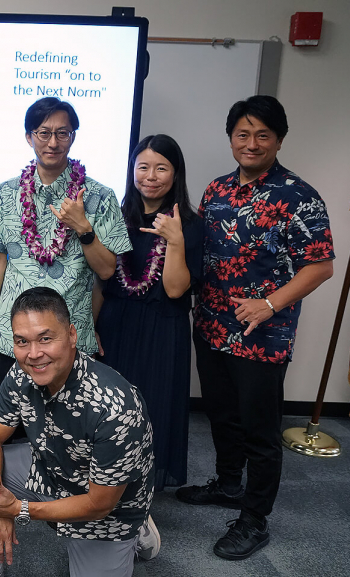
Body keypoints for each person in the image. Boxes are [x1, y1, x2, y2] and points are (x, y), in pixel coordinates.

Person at [179, 95, 334, 560]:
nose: (251, 143)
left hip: (262, 336)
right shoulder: (216, 190)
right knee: (221, 415)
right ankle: (228, 485)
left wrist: (270, 304)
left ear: (279, 139)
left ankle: (254, 519)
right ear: (231, 139)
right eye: (242, 134)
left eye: (262, 135)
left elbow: (320, 266)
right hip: (211, 326)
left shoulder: (298, 195)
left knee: (260, 431)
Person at [0, 287, 157, 577]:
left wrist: (16, 509)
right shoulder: (21, 373)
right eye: (22, 341)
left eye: (45, 339)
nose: (34, 354)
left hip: (107, 505)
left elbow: (98, 505)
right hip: (50, 467)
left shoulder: (116, 407)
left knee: (112, 508)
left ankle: (137, 527)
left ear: (72, 335)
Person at [0, 97, 131, 412]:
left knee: (70, 434)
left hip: (69, 337)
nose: (53, 142)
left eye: (63, 133)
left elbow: (107, 271)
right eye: (44, 133)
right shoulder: (6, 193)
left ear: (73, 136)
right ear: (29, 136)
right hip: (11, 334)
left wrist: (83, 228)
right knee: (4, 426)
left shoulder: (100, 196)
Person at [96, 134, 202, 491]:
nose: (151, 176)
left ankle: (139, 493)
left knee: (151, 407)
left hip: (161, 328)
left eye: (161, 168)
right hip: (116, 323)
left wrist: (175, 240)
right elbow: (101, 277)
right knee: (109, 409)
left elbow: (174, 289)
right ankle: (103, 484)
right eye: (143, 167)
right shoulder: (117, 217)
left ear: (176, 174)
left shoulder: (189, 224)